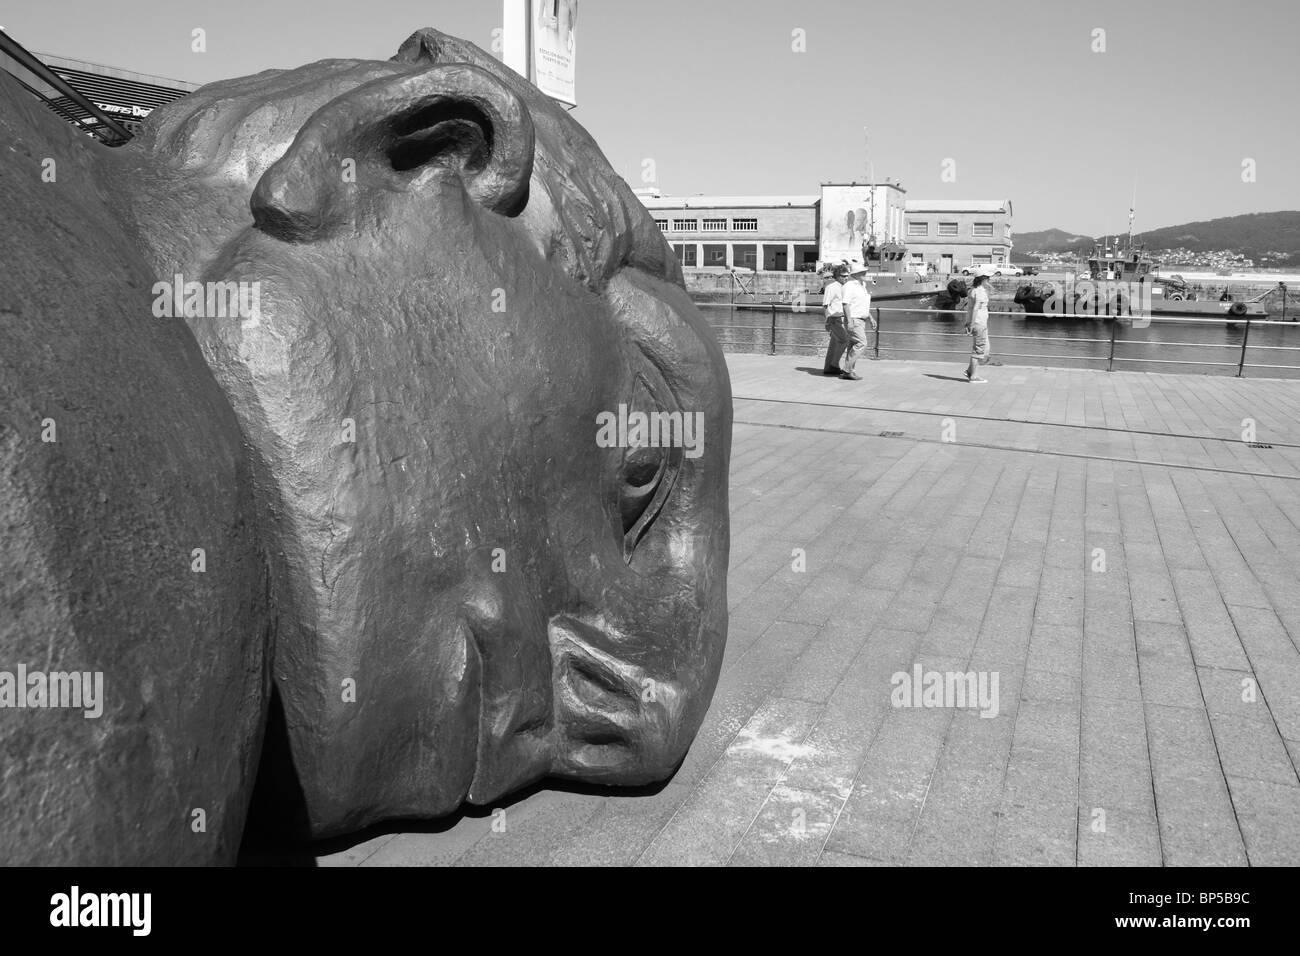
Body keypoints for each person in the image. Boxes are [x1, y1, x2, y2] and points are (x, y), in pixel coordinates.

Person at [840, 262, 876, 381]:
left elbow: (862, 305)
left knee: (852, 346)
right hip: (854, 319)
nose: (865, 273)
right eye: (862, 272)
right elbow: (845, 304)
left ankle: (850, 371)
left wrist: (870, 317)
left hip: (861, 319)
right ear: (856, 274)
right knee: (862, 343)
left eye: (864, 271)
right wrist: (849, 321)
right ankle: (847, 369)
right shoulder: (850, 285)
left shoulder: (862, 285)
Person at [963, 272, 992, 383]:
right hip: (979, 323)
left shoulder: (973, 290)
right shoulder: (979, 292)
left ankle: (970, 371)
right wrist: (971, 324)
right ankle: (974, 377)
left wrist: (968, 322)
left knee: (984, 348)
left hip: (977, 322)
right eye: (988, 279)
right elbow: (975, 308)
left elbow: (969, 308)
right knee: (979, 349)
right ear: (984, 279)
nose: (989, 281)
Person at [821, 263, 849, 375]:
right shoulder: (831, 287)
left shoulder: (845, 287)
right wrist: (827, 321)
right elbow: (825, 305)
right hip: (834, 318)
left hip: (841, 318)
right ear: (837, 276)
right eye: (843, 276)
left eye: (847, 275)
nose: (846, 278)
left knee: (834, 344)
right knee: (844, 341)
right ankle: (834, 364)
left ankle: (828, 368)